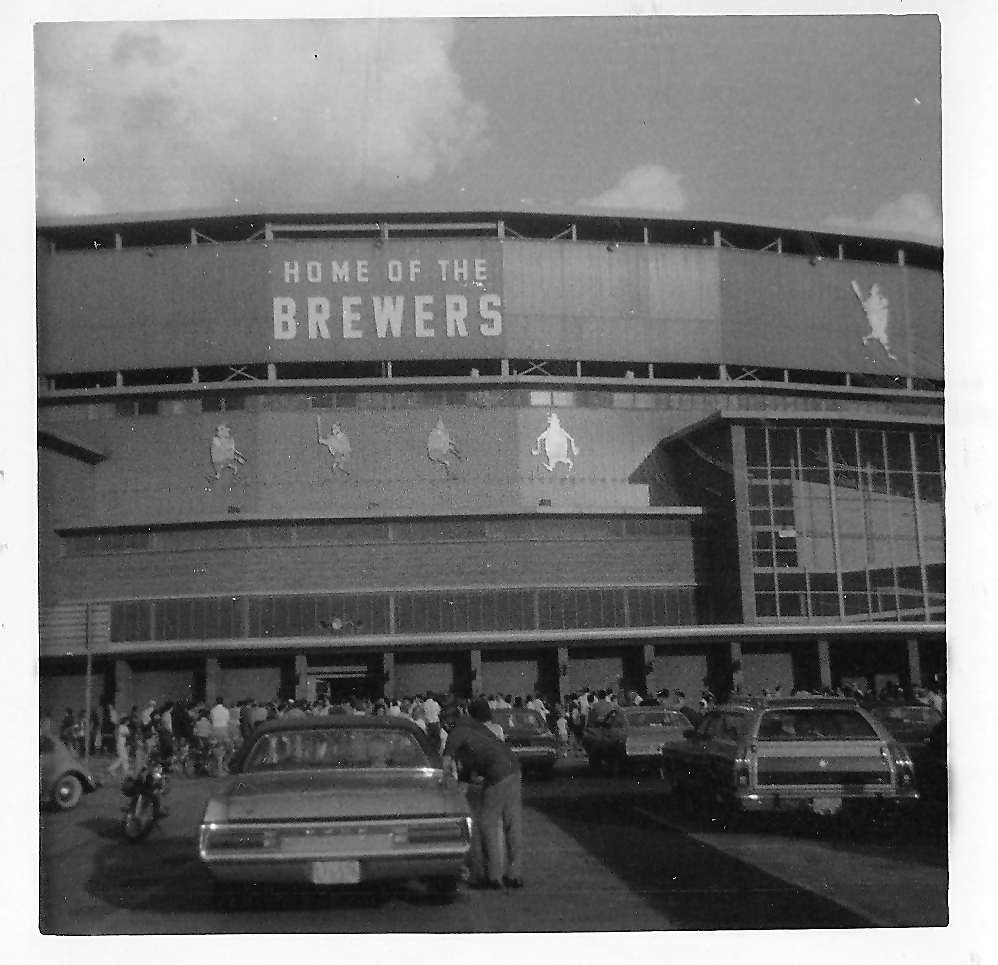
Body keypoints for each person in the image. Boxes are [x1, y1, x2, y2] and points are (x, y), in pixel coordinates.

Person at [443, 697, 523, 890]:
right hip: (513, 767)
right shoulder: (473, 725)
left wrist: (444, 785)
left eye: (443, 719)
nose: (442, 723)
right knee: (512, 822)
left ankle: (492, 876)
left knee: (487, 823)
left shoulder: (457, 732)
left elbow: (445, 763)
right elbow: (475, 756)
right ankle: (515, 873)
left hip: (497, 773)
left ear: (449, 719)